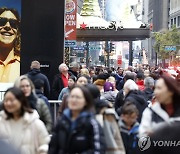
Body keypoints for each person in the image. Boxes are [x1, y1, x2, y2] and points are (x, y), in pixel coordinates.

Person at [48, 86, 105, 154]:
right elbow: (53, 147)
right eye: (72, 96)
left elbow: (98, 150)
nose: (74, 100)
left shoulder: (92, 123)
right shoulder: (62, 122)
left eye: (78, 97)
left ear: (86, 101)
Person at [0, 87, 50, 154]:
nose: (8, 103)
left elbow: (45, 145)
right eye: (6, 101)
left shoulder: (35, 123)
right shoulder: (1, 122)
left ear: (21, 101)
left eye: (11, 100)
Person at [0, 8, 20, 82]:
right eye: (2, 21)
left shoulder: (25, 65)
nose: (7, 26)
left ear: (17, 32)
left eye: (13, 23)